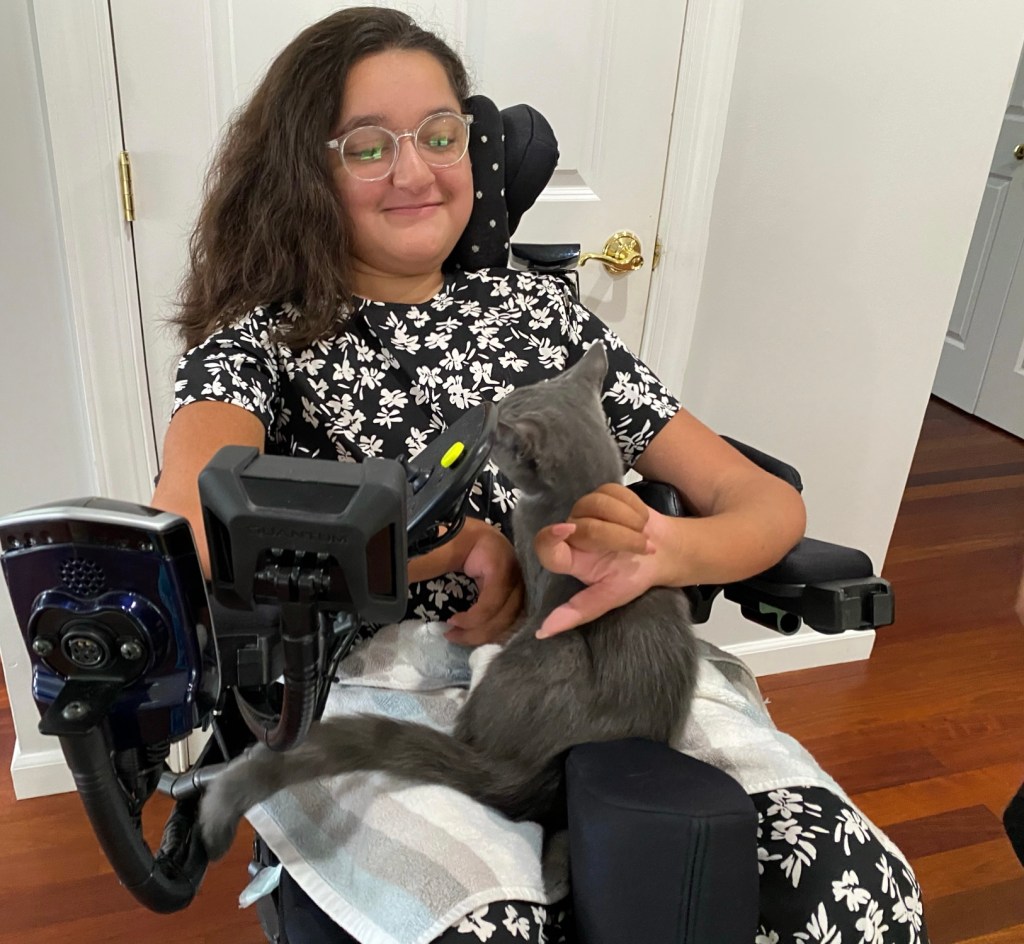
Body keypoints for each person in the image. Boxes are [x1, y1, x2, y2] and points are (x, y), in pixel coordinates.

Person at [153, 8, 928, 943]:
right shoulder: (260, 343)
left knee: (848, 891)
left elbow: (762, 501)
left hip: (616, 674)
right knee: (494, 929)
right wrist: (443, 550)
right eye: (368, 147)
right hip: (390, 682)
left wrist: (663, 550)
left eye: (440, 135)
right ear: (304, 173)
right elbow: (196, 526)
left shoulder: (541, 314)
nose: (415, 172)